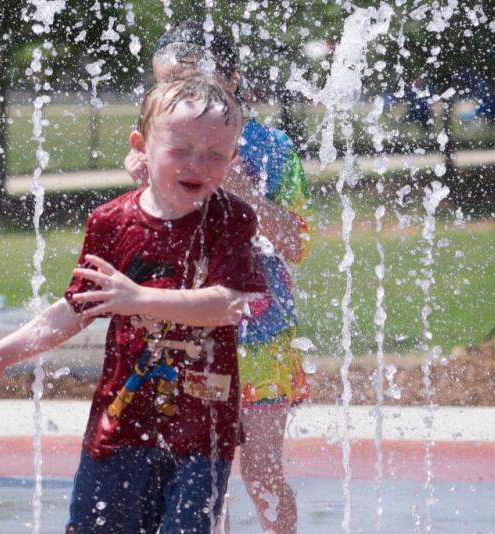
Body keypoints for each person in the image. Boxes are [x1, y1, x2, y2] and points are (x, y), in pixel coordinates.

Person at [0, 75, 267, 533]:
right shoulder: (112, 221)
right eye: (181, 149)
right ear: (141, 146)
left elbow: (228, 305)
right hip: (119, 422)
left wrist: (138, 297)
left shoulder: (231, 218)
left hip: (201, 430)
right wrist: (3, 352)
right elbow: (76, 307)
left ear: (232, 157)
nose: (197, 165)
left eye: (214, 154)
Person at [124, 21, 312, 534]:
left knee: (264, 474)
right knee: (202, 478)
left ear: (232, 80)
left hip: (259, 336)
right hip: (185, 335)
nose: (178, 98)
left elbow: (295, 244)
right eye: (165, 86)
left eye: (189, 84)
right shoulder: (159, 146)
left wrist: (243, 188)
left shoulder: (271, 150)